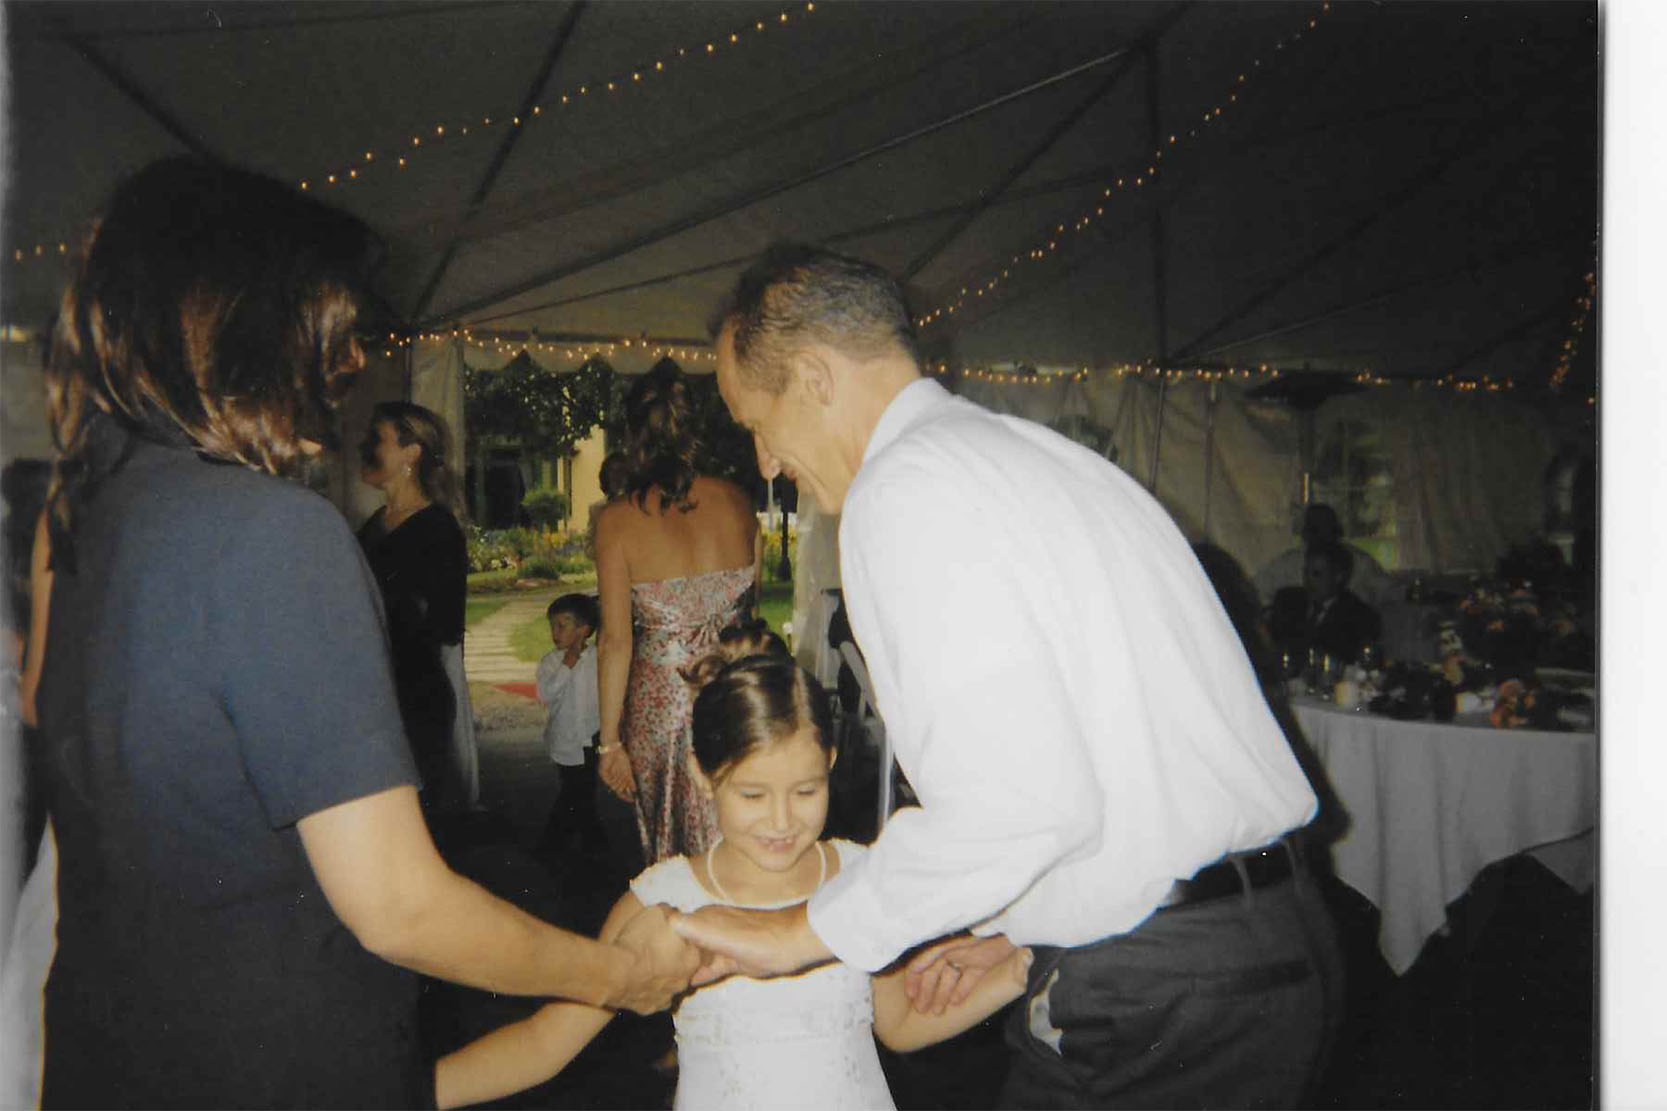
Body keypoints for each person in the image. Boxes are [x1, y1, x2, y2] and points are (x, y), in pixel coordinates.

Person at [31, 156, 698, 1108]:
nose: (346, 368)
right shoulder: (270, 532)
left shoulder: (88, 514)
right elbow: (398, 904)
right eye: (332, 334)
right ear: (247, 322)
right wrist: (613, 977)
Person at [674, 243, 1343, 1109]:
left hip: (1163, 988)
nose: (763, 460)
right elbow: (1107, 758)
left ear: (812, 376)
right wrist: (1029, 926)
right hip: (1256, 944)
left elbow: (1019, 805)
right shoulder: (1037, 459)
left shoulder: (906, 490)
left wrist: (803, 932)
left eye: (754, 421)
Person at [435, 625, 1032, 1110]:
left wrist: (1023, 969)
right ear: (702, 773)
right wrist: (408, 1093)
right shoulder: (662, 901)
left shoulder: (865, 876)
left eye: (805, 792)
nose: (781, 822)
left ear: (830, 761)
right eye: (751, 795)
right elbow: (545, 1042)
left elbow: (898, 1024)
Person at [596, 358, 762, 863]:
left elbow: (615, 643)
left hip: (661, 710)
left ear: (631, 435)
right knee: (741, 833)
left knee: (672, 853)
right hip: (736, 693)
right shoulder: (737, 501)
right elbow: (749, 614)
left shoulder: (618, 521)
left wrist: (609, 744)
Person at [357, 400, 472, 816]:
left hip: (413, 698)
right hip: (376, 694)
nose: (367, 448)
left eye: (378, 440)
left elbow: (443, 625)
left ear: (411, 453)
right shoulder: (376, 522)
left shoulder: (437, 528)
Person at [534, 592, 606, 871]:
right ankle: (587, 844)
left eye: (562, 626)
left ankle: (568, 844)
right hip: (565, 741)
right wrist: (567, 665)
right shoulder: (551, 662)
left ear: (583, 630)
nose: (555, 633)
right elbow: (546, 694)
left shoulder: (598, 659)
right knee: (576, 792)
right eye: (553, 626)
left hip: (592, 736)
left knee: (580, 793)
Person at [1253, 501, 1397, 607]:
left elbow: (1389, 591)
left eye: (1325, 529)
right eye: (1315, 530)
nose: (1321, 536)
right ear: (1306, 534)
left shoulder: (1361, 562)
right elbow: (1256, 591)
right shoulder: (1286, 564)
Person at [1268, 540, 1385, 668]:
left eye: (1317, 574)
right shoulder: (1287, 601)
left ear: (1338, 576)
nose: (1308, 580)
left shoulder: (1360, 616)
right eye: (1306, 572)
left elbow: (1350, 660)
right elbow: (1271, 645)